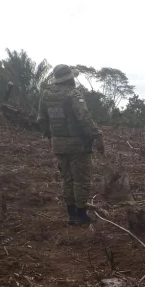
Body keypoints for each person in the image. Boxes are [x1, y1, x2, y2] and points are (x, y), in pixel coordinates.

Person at [37, 64, 104, 225]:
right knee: (81, 180)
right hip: (78, 145)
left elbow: (41, 119)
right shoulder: (73, 94)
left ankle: (71, 214)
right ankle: (81, 215)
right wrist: (98, 136)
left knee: (67, 179)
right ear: (70, 79)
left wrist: (50, 136)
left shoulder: (46, 95)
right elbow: (84, 118)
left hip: (58, 145)